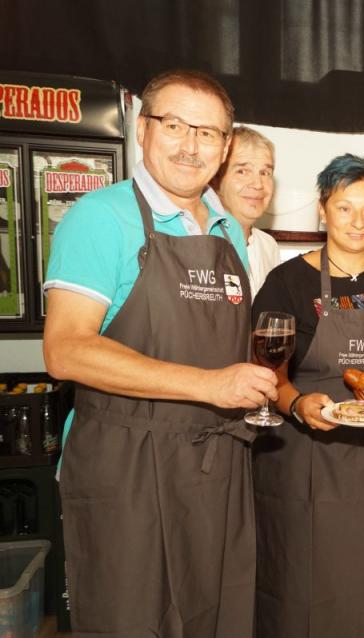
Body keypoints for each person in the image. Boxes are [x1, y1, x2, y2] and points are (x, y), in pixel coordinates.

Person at [42, 69, 278, 637]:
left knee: (217, 614)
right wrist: (209, 385)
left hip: (215, 464)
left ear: (224, 147)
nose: (191, 146)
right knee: (133, 620)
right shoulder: (100, 218)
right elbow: (66, 351)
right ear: (143, 130)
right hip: (127, 468)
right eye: (175, 125)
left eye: (208, 133)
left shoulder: (227, 231)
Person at [252, 153, 364, 637]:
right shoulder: (287, 282)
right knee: (306, 580)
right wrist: (296, 403)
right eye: (344, 208)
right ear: (322, 211)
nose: (357, 221)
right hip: (308, 455)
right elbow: (267, 371)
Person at [212, 125, 280, 297]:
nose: (258, 184)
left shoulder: (268, 245)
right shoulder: (202, 243)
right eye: (242, 171)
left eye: (265, 173)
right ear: (215, 180)